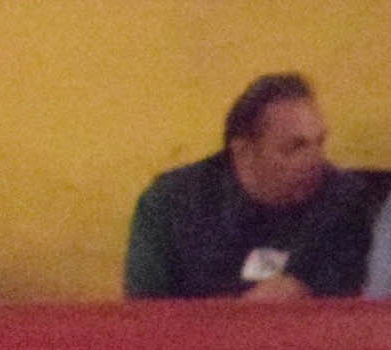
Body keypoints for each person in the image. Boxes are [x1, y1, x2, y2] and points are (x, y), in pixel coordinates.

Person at [125, 73, 375, 299]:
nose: (315, 161)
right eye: (295, 148)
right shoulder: (170, 204)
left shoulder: (345, 201)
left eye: (319, 143)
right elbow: (146, 317)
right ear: (243, 151)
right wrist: (242, 317)